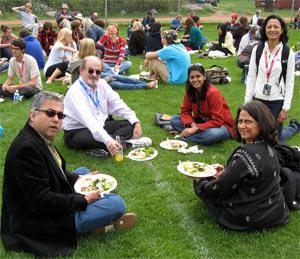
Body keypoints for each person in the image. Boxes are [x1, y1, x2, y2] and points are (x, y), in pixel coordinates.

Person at [1, 91, 137, 258]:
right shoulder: (26, 149)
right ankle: (98, 216)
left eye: (60, 115)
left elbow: (55, 169)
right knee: (117, 204)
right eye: (50, 113)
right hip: (37, 221)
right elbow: (41, 202)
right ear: (33, 115)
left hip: (46, 201)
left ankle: (97, 209)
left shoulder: (37, 136)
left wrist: (78, 179)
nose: (56, 119)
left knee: (84, 173)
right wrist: (83, 200)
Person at [193, 101, 289, 231]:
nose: (242, 126)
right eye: (240, 121)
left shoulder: (245, 154)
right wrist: (227, 171)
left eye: (248, 122)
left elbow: (218, 189)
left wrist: (201, 181)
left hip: (250, 218)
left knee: (201, 181)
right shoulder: (269, 148)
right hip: (275, 213)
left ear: (261, 124)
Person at [63, 56, 143, 157]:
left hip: (101, 125)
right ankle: (122, 144)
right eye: (91, 71)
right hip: (78, 131)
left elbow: (118, 104)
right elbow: (90, 122)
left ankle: (105, 146)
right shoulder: (75, 92)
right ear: (82, 71)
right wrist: (108, 140)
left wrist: (136, 122)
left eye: (98, 72)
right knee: (96, 138)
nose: (94, 75)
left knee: (129, 125)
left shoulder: (102, 84)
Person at [245, 15, 297, 141]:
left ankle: (293, 127)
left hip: (276, 101)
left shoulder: (287, 52)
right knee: (256, 134)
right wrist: (247, 103)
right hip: (258, 99)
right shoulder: (258, 49)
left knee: (274, 138)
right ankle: (293, 127)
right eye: (269, 27)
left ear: (282, 30)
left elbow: (290, 82)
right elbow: (251, 77)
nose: (272, 30)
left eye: (276, 27)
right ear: (264, 29)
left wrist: (285, 108)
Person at [170, 64, 235, 145]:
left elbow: (218, 121)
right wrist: (191, 124)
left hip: (221, 125)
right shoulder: (190, 91)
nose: (195, 80)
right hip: (201, 122)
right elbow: (185, 111)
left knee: (212, 135)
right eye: (192, 77)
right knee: (174, 119)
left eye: (198, 76)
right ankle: (195, 135)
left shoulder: (213, 93)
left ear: (204, 77)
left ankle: (184, 136)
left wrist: (196, 128)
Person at [68, 38, 158, 89]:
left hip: (103, 72)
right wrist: (107, 79)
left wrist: (112, 70)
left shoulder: (84, 58)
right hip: (89, 85)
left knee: (117, 75)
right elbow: (87, 83)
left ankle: (143, 83)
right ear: (90, 49)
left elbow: (101, 68)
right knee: (116, 83)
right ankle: (145, 85)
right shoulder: (81, 65)